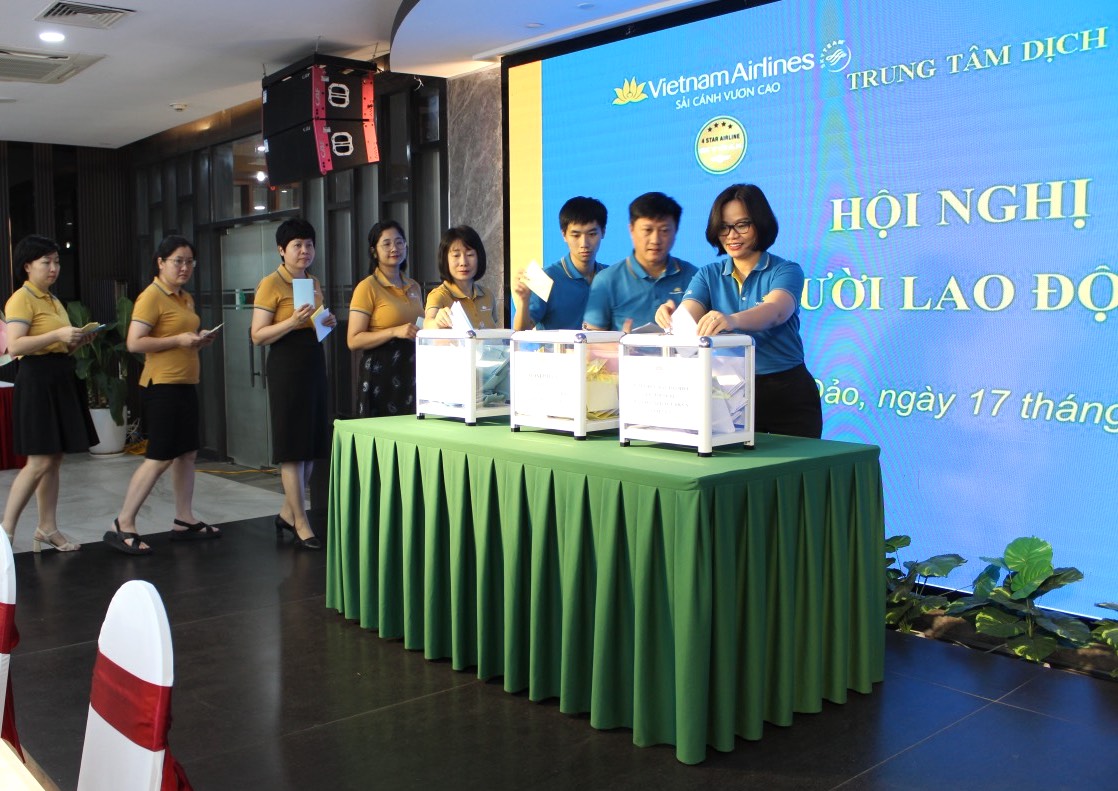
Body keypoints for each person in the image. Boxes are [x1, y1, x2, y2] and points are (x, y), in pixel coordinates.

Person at [655, 183, 822, 438]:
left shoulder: (786, 270)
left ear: (761, 223)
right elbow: (690, 312)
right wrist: (673, 317)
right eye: (724, 227)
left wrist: (731, 320)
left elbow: (776, 311)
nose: (732, 235)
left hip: (787, 391)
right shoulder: (708, 274)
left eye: (742, 225)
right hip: (728, 393)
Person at [104, 235, 220, 555]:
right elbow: (134, 342)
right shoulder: (151, 296)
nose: (184, 268)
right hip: (162, 386)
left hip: (185, 384)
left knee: (187, 454)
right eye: (177, 261)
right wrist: (179, 341)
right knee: (159, 457)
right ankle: (123, 523)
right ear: (160, 262)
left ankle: (184, 519)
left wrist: (197, 339)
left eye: (189, 262)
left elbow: (179, 336)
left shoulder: (184, 297)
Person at [1, 235, 98, 552]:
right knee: (39, 461)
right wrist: (58, 333)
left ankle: (47, 527)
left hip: (59, 376)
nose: (54, 268)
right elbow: (15, 345)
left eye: (57, 262)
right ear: (27, 266)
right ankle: (5, 532)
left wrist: (77, 341)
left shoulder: (53, 300)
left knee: (54, 459)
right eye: (46, 262)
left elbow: (58, 345)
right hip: (37, 380)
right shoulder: (21, 298)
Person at [250, 219, 337, 550]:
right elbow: (258, 335)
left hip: (312, 360)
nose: (304, 251)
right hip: (286, 364)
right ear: (281, 250)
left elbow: (316, 325)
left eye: (309, 244)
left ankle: (288, 514)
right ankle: (301, 522)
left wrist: (324, 322)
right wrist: (292, 321)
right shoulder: (270, 283)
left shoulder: (313, 281)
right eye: (297, 245)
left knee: (311, 443)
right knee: (292, 447)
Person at [582, 191, 695, 332]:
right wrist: (622, 342)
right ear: (631, 230)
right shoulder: (606, 281)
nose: (655, 240)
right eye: (647, 230)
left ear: (676, 231)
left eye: (664, 230)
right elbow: (591, 342)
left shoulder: (694, 277)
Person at [347, 221, 424, 417]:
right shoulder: (367, 287)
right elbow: (353, 340)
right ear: (374, 251)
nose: (394, 248)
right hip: (381, 372)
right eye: (387, 243)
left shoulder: (414, 286)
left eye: (399, 242)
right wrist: (394, 331)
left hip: (412, 369)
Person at [512, 197, 608, 331]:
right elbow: (520, 331)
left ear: (603, 232)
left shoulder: (610, 277)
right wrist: (524, 301)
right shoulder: (544, 277)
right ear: (564, 235)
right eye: (576, 235)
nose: (584, 244)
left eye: (592, 234)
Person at [424, 226, 499, 329]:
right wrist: (437, 322)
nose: (463, 262)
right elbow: (428, 323)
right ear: (445, 259)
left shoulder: (487, 295)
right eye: (456, 255)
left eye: (470, 255)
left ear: (479, 257)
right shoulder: (439, 295)